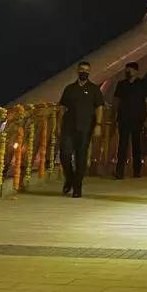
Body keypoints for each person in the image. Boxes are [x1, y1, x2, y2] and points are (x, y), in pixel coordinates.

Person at [57, 60, 104, 198]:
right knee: (64, 155)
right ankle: (69, 179)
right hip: (68, 127)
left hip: (85, 128)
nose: (84, 72)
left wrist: (98, 125)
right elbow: (61, 108)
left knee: (81, 158)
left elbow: (100, 107)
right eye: (82, 69)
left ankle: (77, 187)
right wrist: (59, 126)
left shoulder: (94, 89)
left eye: (86, 70)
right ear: (77, 71)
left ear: (89, 72)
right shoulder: (69, 89)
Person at [112, 62, 147, 179]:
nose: (127, 72)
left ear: (136, 71)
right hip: (123, 119)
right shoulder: (121, 84)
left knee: (137, 146)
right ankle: (119, 172)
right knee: (122, 145)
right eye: (126, 71)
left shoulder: (143, 84)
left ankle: (137, 171)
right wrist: (112, 115)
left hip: (138, 119)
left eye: (129, 70)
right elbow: (116, 101)